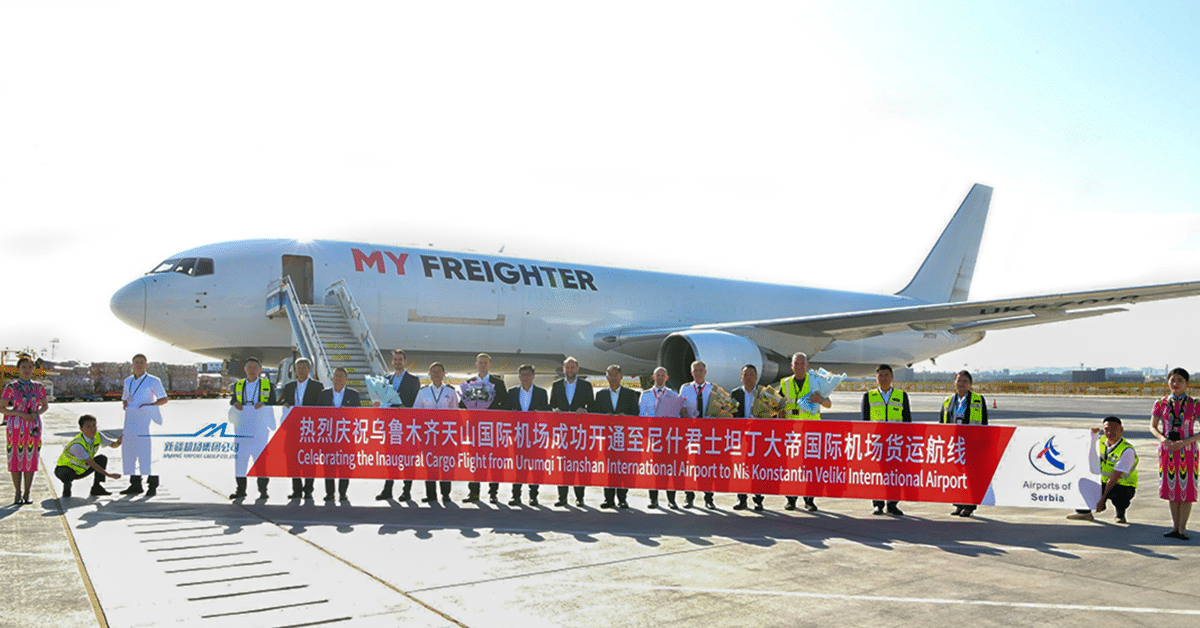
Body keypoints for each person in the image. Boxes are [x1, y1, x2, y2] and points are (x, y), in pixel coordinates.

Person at [1150, 367, 1199, 540]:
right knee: (1172, 489)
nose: (1176, 383)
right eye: (1173, 380)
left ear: (1187, 383)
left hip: (1188, 451)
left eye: (1180, 380)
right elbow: (1153, 427)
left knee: (1186, 489)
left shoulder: (1194, 404)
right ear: (1168, 382)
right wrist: (1164, 440)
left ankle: (1182, 528)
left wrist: (1186, 441)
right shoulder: (1160, 403)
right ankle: (1174, 527)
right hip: (1168, 451)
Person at [779, 352, 830, 512]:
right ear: (792, 366)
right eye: (796, 364)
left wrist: (821, 400)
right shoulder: (785, 383)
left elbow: (828, 404)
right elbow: (778, 405)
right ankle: (791, 499)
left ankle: (809, 500)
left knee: (810, 468)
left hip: (811, 431)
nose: (799, 367)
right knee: (791, 467)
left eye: (802, 364)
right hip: (792, 432)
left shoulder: (816, 382)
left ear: (807, 366)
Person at [861, 364, 912, 516]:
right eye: (880, 375)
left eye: (886, 375)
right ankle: (877, 504)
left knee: (895, 474)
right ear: (876, 378)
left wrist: (906, 441)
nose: (884, 378)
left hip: (895, 443)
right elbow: (865, 422)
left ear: (892, 377)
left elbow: (907, 420)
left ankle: (892, 504)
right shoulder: (868, 396)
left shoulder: (901, 396)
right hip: (877, 442)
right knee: (877, 474)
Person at [1067, 416, 1138, 524]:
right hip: (1103, 481)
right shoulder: (1100, 442)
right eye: (1106, 429)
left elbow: (1115, 477)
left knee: (1121, 495)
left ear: (1121, 430)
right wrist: (1091, 435)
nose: (1110, 432)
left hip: (1123, 484)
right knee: (1081, 481)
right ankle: (1084, 512)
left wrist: (1103, 500)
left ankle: (1120, 514)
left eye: (1114, 429)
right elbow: (1084, 449)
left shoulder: (1127, 450)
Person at [459, 353, 508, 503]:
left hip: (492, 429)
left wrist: (491, 415)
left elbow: (505, 405)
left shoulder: (498, 383)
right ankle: (474, 492)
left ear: (490, 365)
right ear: (476, 364)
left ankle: (493, 493)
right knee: (475, 461)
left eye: (485, 363)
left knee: (494, 461)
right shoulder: (470, 382)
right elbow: (462, 405)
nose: (483, 365)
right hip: (475, 430)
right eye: (480, 362)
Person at [590, 364, 640, 509]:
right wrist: (605, 417)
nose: (613, 378)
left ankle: (622, 498)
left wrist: (626, 417)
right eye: (610, 375)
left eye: (616, 375)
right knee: (609, 469)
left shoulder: (630, 394)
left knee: (623, 468)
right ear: (606, 377)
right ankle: (609, 499)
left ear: (621, 376)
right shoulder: (600, 395)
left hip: (624, 438)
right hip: (607, 439)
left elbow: (636, 414)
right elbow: (594, 414)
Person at [119, 354, 169, 497]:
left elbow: (163, 399)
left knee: (147, 454)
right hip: (130, 421)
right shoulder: (127, 381)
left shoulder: (153, 381)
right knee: (130, 453)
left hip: (145, 421)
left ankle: (152, 486)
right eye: (136, 362)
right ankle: (135, 484)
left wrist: (149, 406)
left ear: (146, 365)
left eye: (142, 362)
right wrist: (125, 404)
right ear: (132, 365)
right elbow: (125, 398)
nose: (139, 365)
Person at [940, 370, 988, 517]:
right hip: (954, 443)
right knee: (956, 475)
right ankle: (958, 504)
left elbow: (984, 423)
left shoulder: (978, 400)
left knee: (971, 476)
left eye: (965, 381)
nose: (961, 384)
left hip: (971, 443)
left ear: (970, 384)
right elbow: (942, 423)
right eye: (959, 381)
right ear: (955, 383)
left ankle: (969, 506)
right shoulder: (948, 401)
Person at [376, 349, 421, 502]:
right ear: (392, 362)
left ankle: (406, 491)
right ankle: (387, 490)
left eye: (400, 359)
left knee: (408, 460)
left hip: (407, 427)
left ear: (405, 361)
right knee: (391, 459)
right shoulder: (386, 378)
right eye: (395, 359)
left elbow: (416, 403)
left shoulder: (413, 380)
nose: (397, 362)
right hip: (390, 426)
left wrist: (405, 409)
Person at [229, 357, 277, 501]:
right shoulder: (238, 385)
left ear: (259, 370)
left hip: (260, 429)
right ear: (245, 369)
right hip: (242, 429)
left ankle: (263, 491)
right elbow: (233, 400)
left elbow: (273, 402)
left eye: (254, 368)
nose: (251, 370)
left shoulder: (267, 385)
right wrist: (236, 403)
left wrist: (263, 403)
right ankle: (240, 490)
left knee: (261, 461)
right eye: (249, 367)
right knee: (241, 461)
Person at [639, 366, 688, 509]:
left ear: (667, 378)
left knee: (669, 469)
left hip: (668, 438)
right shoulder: (646, 395)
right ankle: (653, 499)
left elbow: (677, 417)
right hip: (653, 438)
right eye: (658, 375)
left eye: (663, 375)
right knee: (654, 470)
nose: (660, 377)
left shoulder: (673, 395)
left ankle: (671, 500)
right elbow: (642, 415)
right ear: (653, 377)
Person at [3, 357, 49, 505]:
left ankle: (27, 492)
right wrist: (19, 413)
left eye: (30, 367)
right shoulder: (11, 387)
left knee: (31, 457)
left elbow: (45, 405)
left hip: (33, 426)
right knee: (15, 457)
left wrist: (36, 414)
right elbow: (1, 407)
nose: (27, 370)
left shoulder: (39, 387)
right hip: (16, 425)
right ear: (18, 369)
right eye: (24, 367)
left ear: (33, 369)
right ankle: (17, 492)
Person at [549, 356, 594, 507]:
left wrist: (585, 409)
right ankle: (562, 497)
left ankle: (580, 497)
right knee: (563, 466)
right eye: (567, 368)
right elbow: (552, 405)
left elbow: (593, 407)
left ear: (577, 369)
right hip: (562, 434)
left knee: (579, 466)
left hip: (579, 434)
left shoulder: (586, 386)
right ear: (563, 369)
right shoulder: (556, 385)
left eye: (572, 367)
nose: (570, 370)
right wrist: (555, 410)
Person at [277, 357, 323, 500]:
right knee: (292, 459)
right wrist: (284, 404)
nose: (301, 370)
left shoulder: (318, 386)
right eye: (298, 368)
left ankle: (308, 489)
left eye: (304, 368)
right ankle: (296, 490)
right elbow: (284, 402)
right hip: (292, 429)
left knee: (309, 460)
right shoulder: (289, 387)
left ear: (309, 370)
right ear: (295, 370)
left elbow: (321, 407)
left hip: (309, 430)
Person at [506, 364, 550, 505]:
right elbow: (506, 413)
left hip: (535, 437)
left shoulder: (541, 393)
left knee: (535, 467)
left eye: (528, 375)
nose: (525, 378)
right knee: (518, 466)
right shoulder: (512, 392)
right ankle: (516, 496)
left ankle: (533, 495)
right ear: (519, 377)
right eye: (523, 375)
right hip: (518, 437)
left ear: (533, 376)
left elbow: (546, 413)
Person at [417, 362, 459, 503]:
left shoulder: (450, 392)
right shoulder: (423, 392)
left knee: (445, 464)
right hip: (428, 435)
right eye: (433, 371)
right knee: (429, 464)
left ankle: (446, 494)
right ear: (429, 374)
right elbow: (416, 412)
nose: (436, 374)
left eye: (439, 371)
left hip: (445, 435)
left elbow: (455, 413)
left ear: (443, 374)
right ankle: (431, 494)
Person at [732, 364, 771, 511]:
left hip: (759, 437)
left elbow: (772, 413)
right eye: (745, 375)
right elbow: (731, 415)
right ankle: (741, 499)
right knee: (741, 469)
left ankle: (758, 499)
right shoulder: (735, 394)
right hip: (741, 437)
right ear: (741, 377)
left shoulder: (764, 393)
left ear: (756, 376)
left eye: (751, 375)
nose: (748, 378)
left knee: (757, 469)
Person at [318, 367, 361, 502]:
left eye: (341, 376)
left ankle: (343, 492)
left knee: (345, 466)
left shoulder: (353, 395)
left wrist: (346, 412)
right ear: (332, 378)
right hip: (328, 436)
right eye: (336, 376)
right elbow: (316, 413)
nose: (338, 378)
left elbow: (358, 415)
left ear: (346, 380)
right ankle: (329, 493)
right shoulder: (324, 394)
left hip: (346, 437)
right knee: (328, 465)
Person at [55, 415, 122, 498]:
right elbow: (92, 463)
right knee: (66, 473)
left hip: (82, 469)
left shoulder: (98, 436)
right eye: (88, 426)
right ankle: (67, 488)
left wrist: (118, 442)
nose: (92, 429)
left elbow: (112, 445)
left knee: (102, 458)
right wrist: (109, 475)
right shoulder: (77, 445)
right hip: (66, 469)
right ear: (81, 429)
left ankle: (97, 488)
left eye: (94, 425)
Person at [678, 360, 716, 509]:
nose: (698, 373)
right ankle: (689, 497)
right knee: (690, 465)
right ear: (691, 373)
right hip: (691, 432)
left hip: (707, 433)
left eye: (701, 370)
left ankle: (708, 497)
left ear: (705, 372)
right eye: (695, 371)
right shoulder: (685, 389)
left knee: (707, 466)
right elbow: (680, 407)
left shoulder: (713, 389)